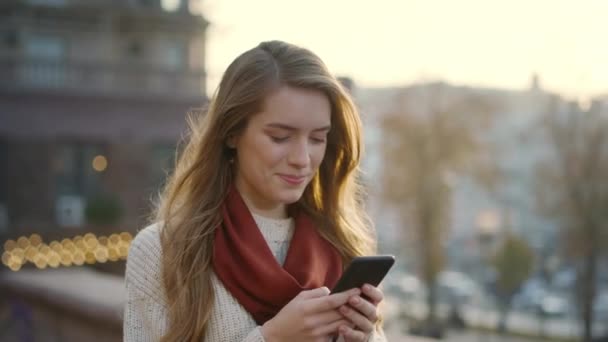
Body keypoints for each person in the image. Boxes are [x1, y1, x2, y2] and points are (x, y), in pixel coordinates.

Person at [124, 40, 387, 342]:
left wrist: (367, 338)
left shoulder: (342, 247)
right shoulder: (163, 251)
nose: (302, 159)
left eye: (317, 139)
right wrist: (272, 338)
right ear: (232, 133)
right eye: (280, 137)